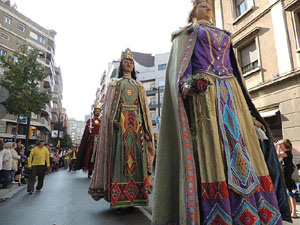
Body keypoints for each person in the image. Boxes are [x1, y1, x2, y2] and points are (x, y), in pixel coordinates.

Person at [152, 1, 291, 224]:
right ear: (193, 11)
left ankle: (251, 211)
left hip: (232, 96)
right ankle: (217, 213)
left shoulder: (226, 34)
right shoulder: (186, 35)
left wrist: (249, 113)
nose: (208, 8)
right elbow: (182, 74)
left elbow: (235, 71)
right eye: (203, 5)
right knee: (212, 152)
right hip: (205, 98)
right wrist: (190, 85)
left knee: (242, 150)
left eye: (209, 6)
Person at [89, 48, 155, 209]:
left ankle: (135, 197)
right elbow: (109, 107)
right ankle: (119, 200)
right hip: (121, 127)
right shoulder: (114, 84)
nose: (129, 64)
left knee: (137, 161)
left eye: (131, 62)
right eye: (126, 62)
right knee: (120, 160)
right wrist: (113, 121)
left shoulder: (139, 86)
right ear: (121, 66)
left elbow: (144, 109)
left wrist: (146, 128)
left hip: (136, 127)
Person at [74, 104, 101, 178]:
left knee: (96, 155)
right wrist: (88, 130)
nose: (98, 112)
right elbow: (86, 132)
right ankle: (86, 167)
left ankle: (93, 170)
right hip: (91, 139)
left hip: (98, 140)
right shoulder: (90, 121)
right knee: (89, 153)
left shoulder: (101, 121)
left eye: (99, 111)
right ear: (94, 112)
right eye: (96, 111)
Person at [277, 139, 297, 218]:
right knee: (287, 193)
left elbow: (278, 155)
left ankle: (294, 212)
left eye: (281, 144)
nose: (280, 145)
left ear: (285, 145)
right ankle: (290, 209)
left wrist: (277, 147)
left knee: (290, 193)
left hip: (287, 176)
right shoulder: (285, 153)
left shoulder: (288, 153)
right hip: (284, 175)